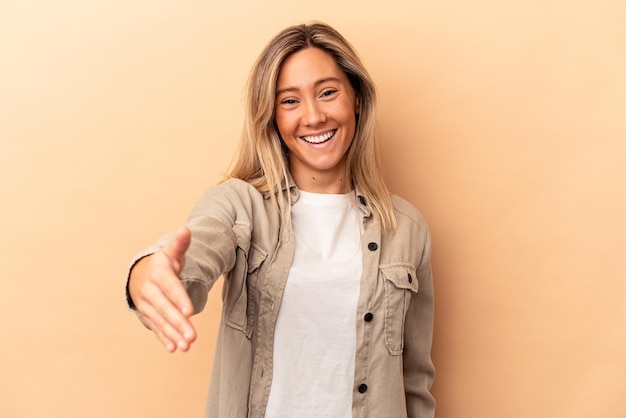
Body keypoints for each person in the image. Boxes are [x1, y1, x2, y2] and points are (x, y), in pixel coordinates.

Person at [126, 22, 435, 418]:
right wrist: (147, 273)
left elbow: (415, 384)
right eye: (289, 101)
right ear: (271, 115)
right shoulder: (240, 205)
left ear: (355, 98)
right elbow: (195, 253)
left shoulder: (407, 229)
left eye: (327, 92)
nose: (313, 116)